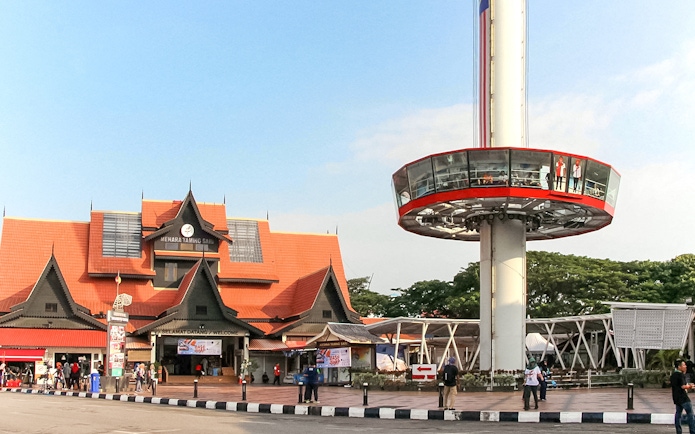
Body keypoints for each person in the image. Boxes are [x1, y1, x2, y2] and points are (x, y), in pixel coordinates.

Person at [672, 358, 695, 434]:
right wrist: (690, 387)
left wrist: (688, 385)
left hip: (676, 398)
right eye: (684, 365)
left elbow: (677, 386)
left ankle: (678, 431)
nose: (685, 366)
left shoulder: (673, 375)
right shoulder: (680, 375)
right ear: (679, 367)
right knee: (690, 414)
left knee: (678, 414)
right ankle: (692, 431)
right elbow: (683, 386)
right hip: (683, 398)